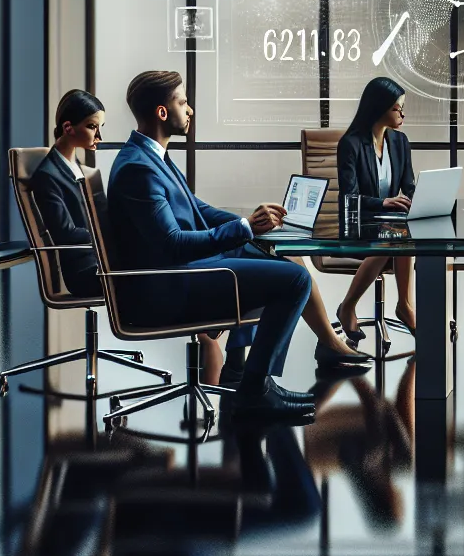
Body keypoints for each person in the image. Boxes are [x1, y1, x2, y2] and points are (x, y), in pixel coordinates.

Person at [107, 71, 364, 421]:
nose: (191, 110)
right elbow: (173, 245)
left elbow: (196, 208)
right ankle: (255, 390)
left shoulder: (151, 157)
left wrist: (251, 228)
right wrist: (243, 227)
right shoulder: (139, 169)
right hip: (165, 286)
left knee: (270, 253)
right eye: (183, 102)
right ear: (162, 113)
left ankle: (243, 372)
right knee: (294, 280)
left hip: (176, 275)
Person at [334, 77, 418, 340]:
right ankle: (349, 306)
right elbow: (351, 196)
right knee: (394, 240)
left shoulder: (400, 142)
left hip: (390, 226)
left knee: (401, 235)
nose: (403, 114)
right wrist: (383, 202)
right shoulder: (351, 144)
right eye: (397, 108)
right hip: (359, 224)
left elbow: (408, 184)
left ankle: (404, 304)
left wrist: (421, 199)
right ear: (380, 107)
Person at [28, 89, 108, 299]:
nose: (99, 136)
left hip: (102, 259)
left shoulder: (77, 167)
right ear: (68, 127)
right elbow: (66, 233)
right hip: (85, 271)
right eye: (92, 127)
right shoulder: (47, 175)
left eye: (100, 127)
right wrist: (108, 237)